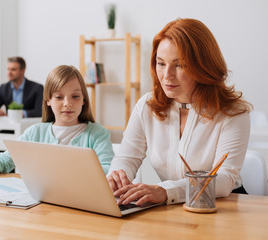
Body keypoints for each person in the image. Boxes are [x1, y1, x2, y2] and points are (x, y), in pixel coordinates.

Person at [107, 18, 252, 206]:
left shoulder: (234, 112)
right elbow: (126, 158)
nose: (166, 75)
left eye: (179, 65)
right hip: (172, 206)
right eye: (161, 63)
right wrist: (118, 176)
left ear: (203, 66)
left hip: (223, 204)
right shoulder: (147, 105)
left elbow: (223, 180)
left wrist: (165, 191)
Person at [0, 65, 114, 178]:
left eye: (75, 96)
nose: (67, 103)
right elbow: (7, 159)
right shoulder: (36, 132)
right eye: (59, 97)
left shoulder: (97, 134)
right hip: (42, 206)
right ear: (48, 101)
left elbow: (109, 168)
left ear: (84, 100)